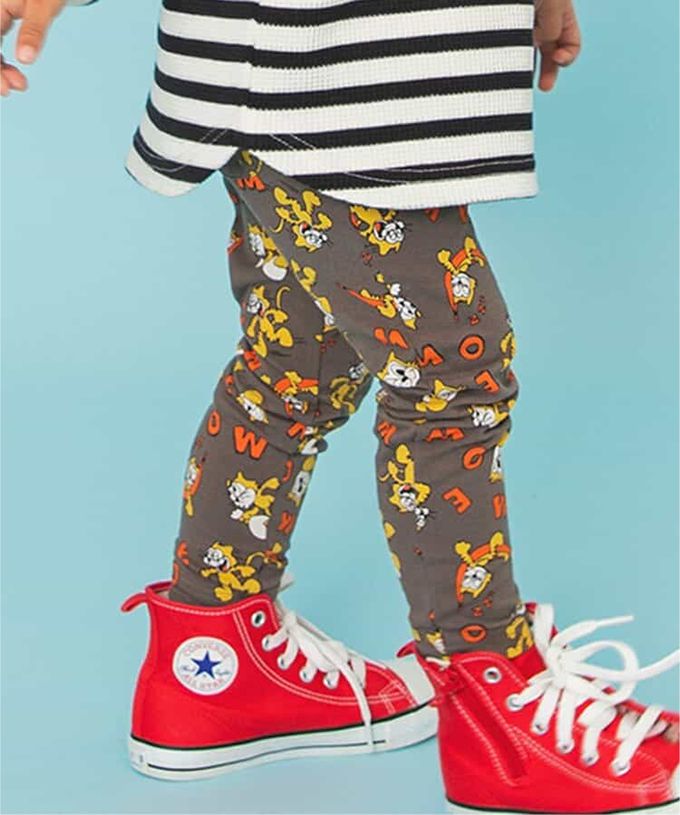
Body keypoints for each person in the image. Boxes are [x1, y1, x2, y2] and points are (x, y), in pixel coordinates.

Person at [2, 1, 678, 812]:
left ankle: (211, 663)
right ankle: (490, 695)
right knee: (450, 380)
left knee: (297, 365)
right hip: (331, 86)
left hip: (330, 81)